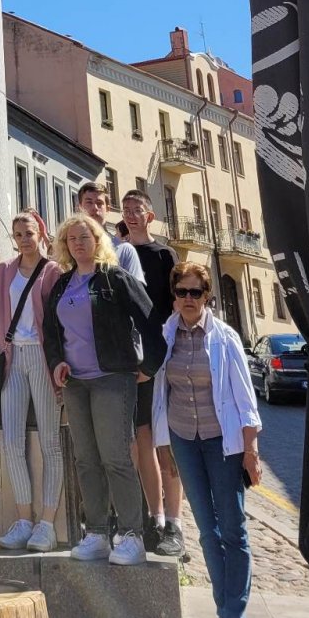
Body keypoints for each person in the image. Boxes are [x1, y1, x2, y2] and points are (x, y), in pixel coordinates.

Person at [42, 213, 165, 567]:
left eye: (85, 237)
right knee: (86, 460)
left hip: (112, 378)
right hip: (75, 384)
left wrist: (147, 368)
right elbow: (51, 333)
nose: (78, 243)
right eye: (72, 239)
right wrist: (57, 363)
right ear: (65, 246)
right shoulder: (62, 285)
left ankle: (132, 535)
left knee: (115, 458)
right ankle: (96, 533)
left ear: (97, 241)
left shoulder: (115, 278)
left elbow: (152, 323)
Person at [152, 263, 262, 618]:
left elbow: (246, 400)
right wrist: (163, 444)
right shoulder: (166, 335)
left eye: (195, 292)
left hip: (222, 442)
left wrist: (250, 450)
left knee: (232, 528)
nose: (188, 299)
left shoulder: (225, 338)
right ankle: (222, 613)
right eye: (181, 292)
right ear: (174, 296)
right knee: (206, 531)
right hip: (184, 439)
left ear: (207, 296)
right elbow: (159, 395)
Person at [0, 210, 63, 552]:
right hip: (13, 357)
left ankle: (47, 523)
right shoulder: (5, 270)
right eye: (18, 234)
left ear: (40, 232)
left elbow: (59, 321)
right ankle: (23, 519)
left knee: (50, 443)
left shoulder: (53, 271)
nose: (24, 240)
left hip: (42, 359)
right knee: (12, 442)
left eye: (28, 233)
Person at [121, 190, 185, 557]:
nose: (131, 215)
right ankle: (153, 517)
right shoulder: (117, 253)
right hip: (134, 364)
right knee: (140, 442)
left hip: (163, 360)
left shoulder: (164, 255)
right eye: (126, 210)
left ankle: (175, 523)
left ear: (150, 216)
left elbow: (176, 308)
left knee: (166, 445)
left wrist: (162, 357)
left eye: (137, 210)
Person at [77, 181, 145, 282]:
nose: (94, 208)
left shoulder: (124, 250)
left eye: (99, 203)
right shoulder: (70, 250)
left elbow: (136, 289)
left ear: (108, 209)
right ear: (80, 208)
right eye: (89, 202)